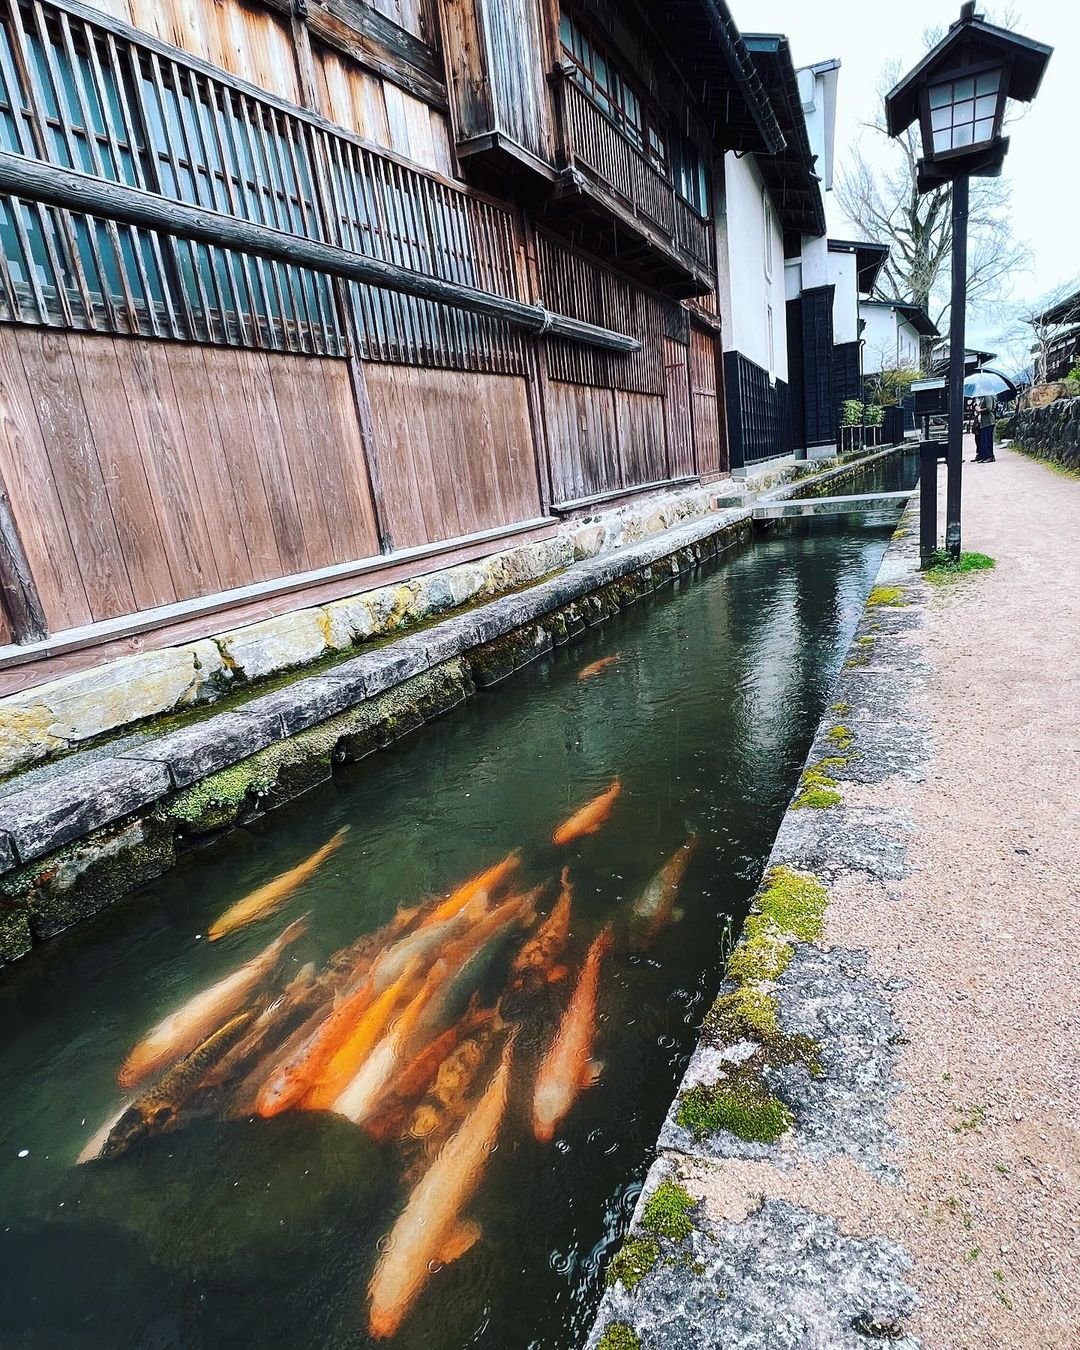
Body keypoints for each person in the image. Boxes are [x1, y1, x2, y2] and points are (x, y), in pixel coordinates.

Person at [973, 394, 996, 463]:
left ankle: (989, 456)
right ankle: (984, 455)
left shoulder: (988, 396)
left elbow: (989, 408)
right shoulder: (983, 397)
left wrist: (980, 410)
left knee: (987, 439)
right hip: (983, 422)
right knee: (983, 440)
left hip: (988, 421)